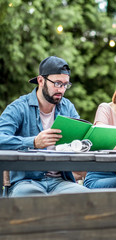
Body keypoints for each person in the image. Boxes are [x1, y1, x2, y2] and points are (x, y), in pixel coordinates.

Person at [0, 56, 90, 197]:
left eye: (65, 85)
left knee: (90, 198)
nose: (62, 89)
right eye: (57, 83)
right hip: (25, 182)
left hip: (61, 181)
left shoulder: (67, 107)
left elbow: (81, 138)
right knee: (30, 198)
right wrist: (33, 142)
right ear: (41, 81)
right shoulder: (18, 108)